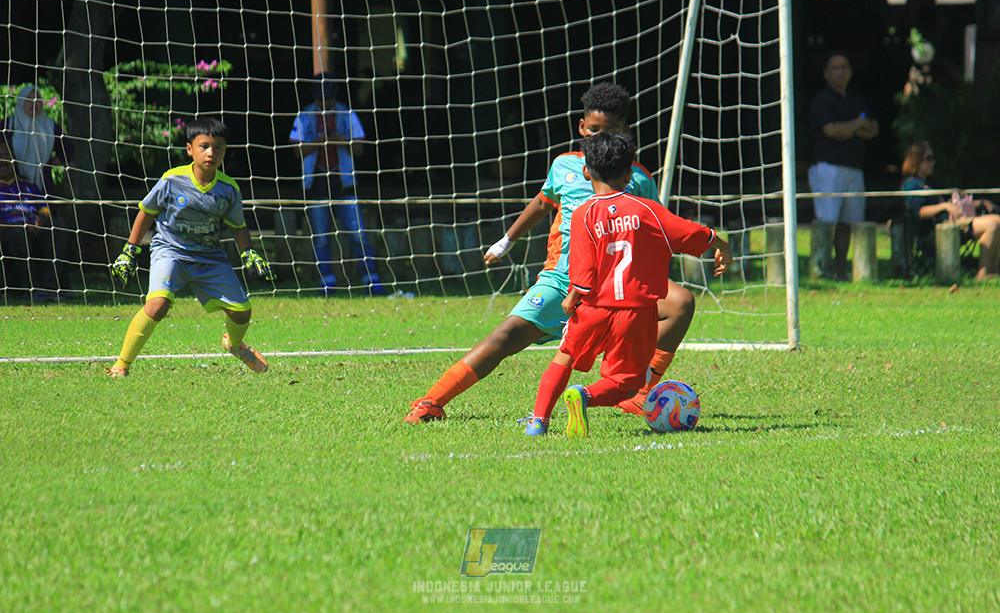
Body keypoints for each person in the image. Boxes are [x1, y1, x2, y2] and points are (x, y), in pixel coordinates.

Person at [404, 82, 697, 428]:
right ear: (581, 127)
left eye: (609, 131)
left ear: (625, 132)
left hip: (619, 285)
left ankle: (637, 394)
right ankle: (432, 401)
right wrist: (506, 241)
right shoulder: (564, 168)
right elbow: (543, 203)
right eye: (592, 130)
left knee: (680, 302)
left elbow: (655, 228)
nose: (597, 138)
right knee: (507, 335)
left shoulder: (638, 179)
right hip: (564, 279)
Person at [527, 131, 731, 437]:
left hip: (592, 306)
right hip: (634, 312)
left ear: (586, 171)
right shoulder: (646, 210)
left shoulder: (582, 215)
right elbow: (689, 233)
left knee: (564, 358)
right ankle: (585, 396)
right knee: (629, 383)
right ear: (629, 173)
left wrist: (572, 298)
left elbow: (582, 269)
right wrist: (722, 244)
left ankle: (538, 422)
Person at [106, 118, 275, 377]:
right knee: (157, 305)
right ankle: (122, 364)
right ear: (190, 149)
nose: (211, 153)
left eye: (218, 147)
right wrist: (130, 250)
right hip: (169, 251)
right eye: (204, 146)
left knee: (242, 312)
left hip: (209, 256)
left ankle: (234, 344)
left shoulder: (228, 189)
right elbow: (146, 212)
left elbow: (238, 226)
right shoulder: (172, 180)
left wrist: (248, 252)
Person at [288, 73, 385, 295]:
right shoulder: (304, 116)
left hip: (344, 184)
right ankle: (327, 282)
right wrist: (318, 141)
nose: (325, 103)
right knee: (321, 237)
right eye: (321, 99)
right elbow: (297, 152)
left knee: (358, 234)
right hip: (316, 184)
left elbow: (360, 149)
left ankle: (372, 281)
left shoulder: (347, 114)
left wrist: (343, 140)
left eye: (329, 99)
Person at [808, 52, 879, 280]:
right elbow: (831, 131)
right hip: (829, 170)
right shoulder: (822, 100)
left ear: (850, 71)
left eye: (844, 67)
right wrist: (857, 124)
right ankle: (821, 269)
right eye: (835, 68)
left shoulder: (856, 100)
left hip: (854, 170)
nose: (840, 71)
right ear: (826, 74)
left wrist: (849, 128)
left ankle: (840, 270)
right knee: (827, 222)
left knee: (849, 223)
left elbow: (874, 130)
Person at [902, 141, 1000, 282]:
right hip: (937, 229)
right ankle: (982, 274)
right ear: (916, 161)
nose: (932, 162)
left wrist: (982, 203)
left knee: (998, 220)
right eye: (928, 158)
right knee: (992, 225)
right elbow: (919, 212)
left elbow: (953, 202)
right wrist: (944, 207)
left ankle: (993, 271)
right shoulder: (911, 185)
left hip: (956, 221)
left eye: (933, 158)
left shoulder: (931, 183)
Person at [0, 133, 70, 302]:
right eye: (0, 156)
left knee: (58, 226)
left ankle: (51, 287)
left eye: (7, 156)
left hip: (34, 227)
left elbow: (43, 210)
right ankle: (32, 287)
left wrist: (41, 219)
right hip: (8, 231)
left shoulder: (27, 184)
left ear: (14, 160)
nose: (4, 160)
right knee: (18, 233)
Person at [5, 85, 75, 196]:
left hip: (43, 187)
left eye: (37, 99)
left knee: (45, 211)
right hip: (11, 186)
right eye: (29, 99)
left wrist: (56, 161)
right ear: (21, 101)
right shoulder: (9, 125)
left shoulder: (49, 126)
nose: (34, 103)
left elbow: (68, 148)